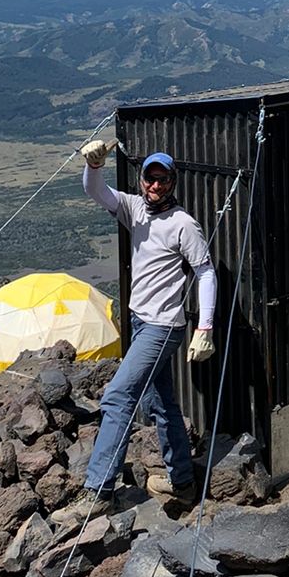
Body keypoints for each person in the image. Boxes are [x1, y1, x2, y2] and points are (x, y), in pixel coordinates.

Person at [69, 139, 217, 513]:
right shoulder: (135, 209)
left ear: (172, 183)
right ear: (141, 181)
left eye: (162, 180)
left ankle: (99, 491)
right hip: (140, 321)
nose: (154, 186)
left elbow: (205, 272)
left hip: (163, 327)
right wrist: (95, 165)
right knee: (161, 402)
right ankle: (182, 482)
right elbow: (95, 190)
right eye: (150, 179)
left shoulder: (183, 224)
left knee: (118, 396)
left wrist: (206, 327)